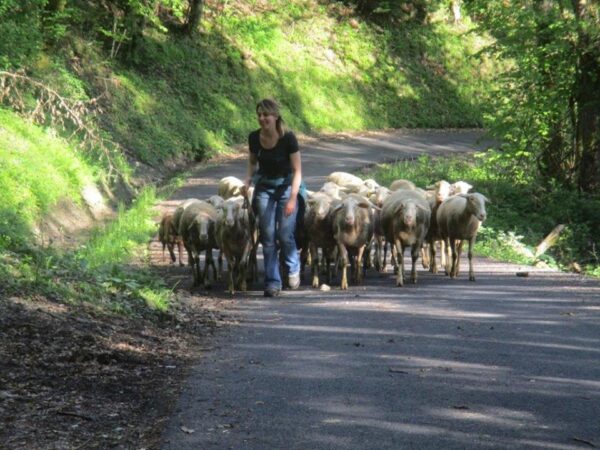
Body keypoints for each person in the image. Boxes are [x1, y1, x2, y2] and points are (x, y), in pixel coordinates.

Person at [243, 98, 305, 297]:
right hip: (265, 188)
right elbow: (253, 163)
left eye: (266, 115)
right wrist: (247, 181)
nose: (262, 118)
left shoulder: (288, 138)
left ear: (275, 116)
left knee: (285, 234)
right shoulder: (254, 137)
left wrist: (293, 198)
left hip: (287, 186)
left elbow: (297, 171)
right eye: (259, 115)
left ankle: (293, 267)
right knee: (268, 236)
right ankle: (272, 282)